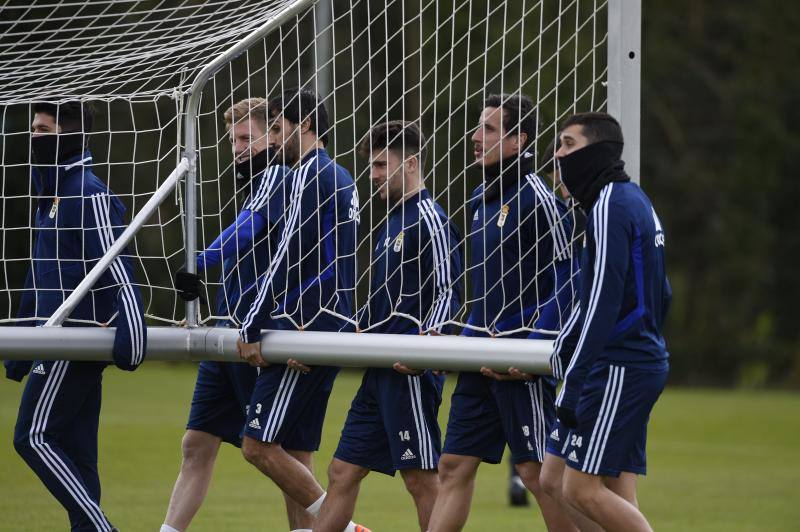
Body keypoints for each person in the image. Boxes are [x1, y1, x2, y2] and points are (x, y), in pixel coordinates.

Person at [427, 94, 575, 531]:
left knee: (537, 475)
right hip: (479, 356)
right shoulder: (479, 196)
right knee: (452, 464)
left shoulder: (540, 200)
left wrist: (530, 352)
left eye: (488, 130)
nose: (475, 138)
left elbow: (568, 284)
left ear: (518, 140)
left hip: (518, 362)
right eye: (478, 127)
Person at [312, 121, 463, 532]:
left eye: (381, 164)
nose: (373, 174)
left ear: (410, 164)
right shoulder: (391, 222)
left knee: (420, 479)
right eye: (372, 165)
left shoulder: (429, 218)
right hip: (378, 370)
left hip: (408, 372)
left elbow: (450, 289)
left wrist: (427, 348)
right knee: (342, 471)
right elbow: (385, 300)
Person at [5, 101, 146, 532]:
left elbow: (116, 264)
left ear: (68, 135)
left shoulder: (88, 192)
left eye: (43, 131)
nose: (34, 139)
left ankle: (101, 529)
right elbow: (37, 276)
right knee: (79, 454)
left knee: (32, 437)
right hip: (50, 341)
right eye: (32, 130)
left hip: (72, 342)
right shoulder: (49, 193)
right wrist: (20, 346)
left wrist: (132, 329)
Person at [235, 89, 366, 532]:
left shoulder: (310, 175)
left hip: (306, 327)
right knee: (295, 451)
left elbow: (290, 256)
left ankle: (346, 528)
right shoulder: (340, 175)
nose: (272, 140)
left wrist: (256, 320)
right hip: (325, 323)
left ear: (305, 123)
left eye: (277, 128)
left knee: (256, 445)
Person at [160, 98, 291, 532]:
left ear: (273, 136)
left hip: (260, 333)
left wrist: (201, 260)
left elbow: (249, 229)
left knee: (280, 450)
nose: (236, 147)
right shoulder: (252, 182)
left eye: (245, 138)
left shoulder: (280, 178)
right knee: (196, 443)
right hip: (226, 330)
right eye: (232, 139)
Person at [552, 112, 671, 532]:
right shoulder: (634, 199)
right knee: (564, 481)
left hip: (620, 366)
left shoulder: (609, 207)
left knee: (579, 490)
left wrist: (575, 378)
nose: (559, 155)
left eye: (568, 144)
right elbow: (663, 294)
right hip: (632, 361)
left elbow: (602, 303)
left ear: (598, 152)